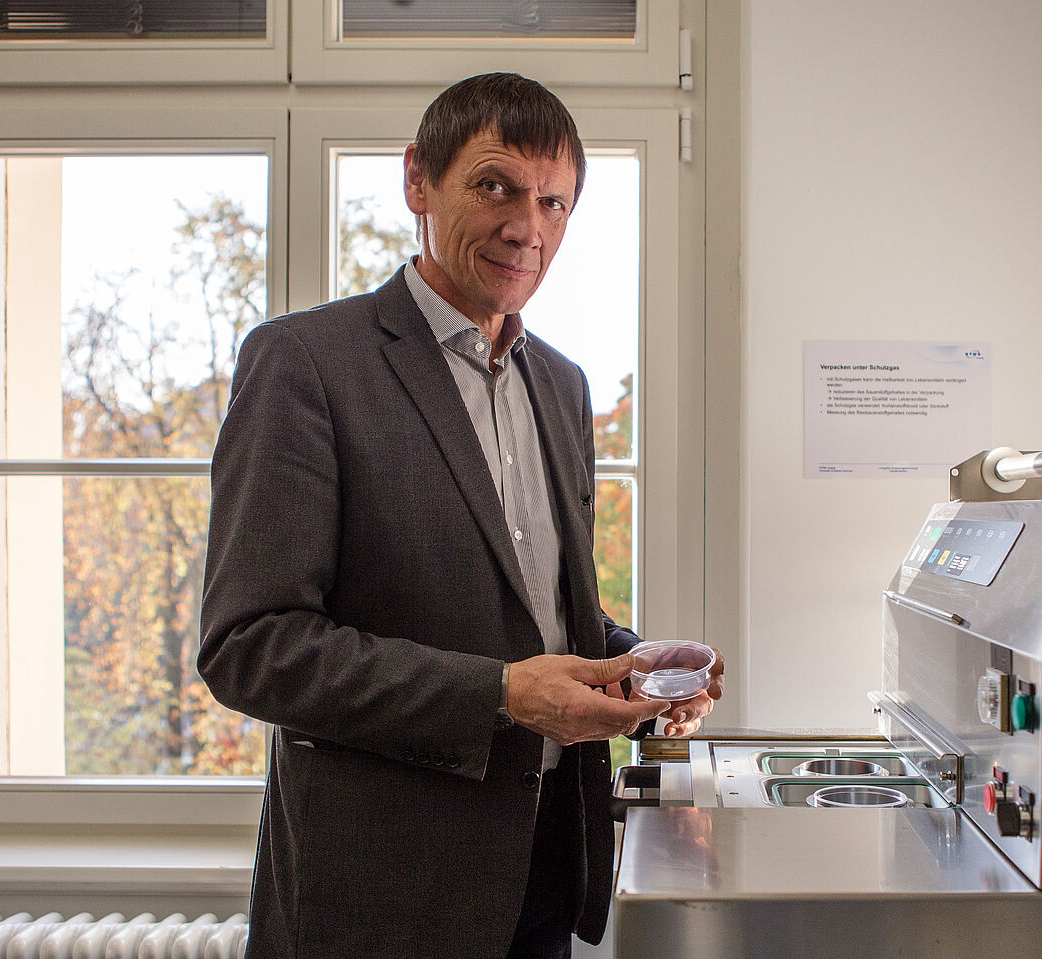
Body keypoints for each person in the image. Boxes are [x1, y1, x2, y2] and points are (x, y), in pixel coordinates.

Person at [198, 72, 724, 959]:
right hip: (378, 904)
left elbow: (536, 612)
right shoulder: (304, 363)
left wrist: (630, 662)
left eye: (554, 202)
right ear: (417, 181)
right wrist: (500, 696)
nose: (529, 226)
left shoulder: (562, 386)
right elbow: (250, 647)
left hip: (542, 879)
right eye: (495, 186)